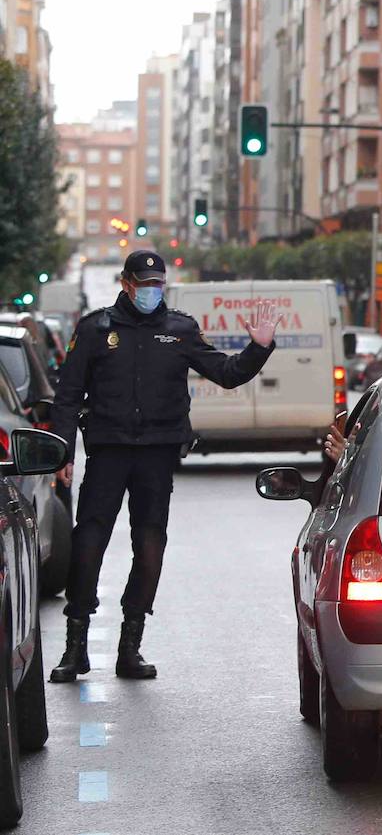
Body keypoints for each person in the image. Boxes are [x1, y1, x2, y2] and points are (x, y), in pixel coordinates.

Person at [47, 251, 280, 683]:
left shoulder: (180, 330)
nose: (151, 291)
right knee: (88, 543)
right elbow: (67, 395)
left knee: (150, 546)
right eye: (144, 283)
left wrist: (258, 348)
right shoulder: (97, 329)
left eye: (158, 284)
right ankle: (74, 647)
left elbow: (226, 374)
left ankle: (130, 647)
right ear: (126, 283)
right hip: (109, 451)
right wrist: (64, 452)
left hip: (157, 453)